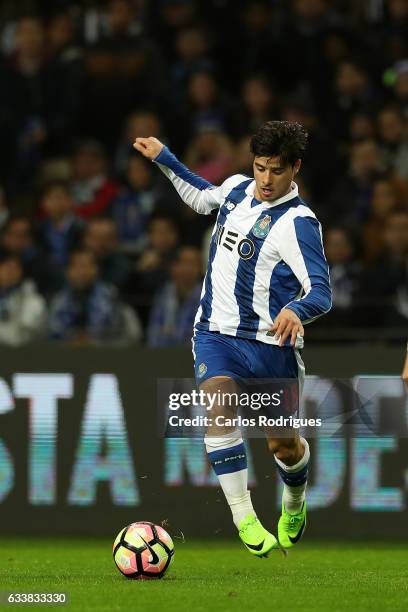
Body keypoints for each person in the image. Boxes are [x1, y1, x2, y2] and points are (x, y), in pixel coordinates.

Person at [134, 121, 331, 557]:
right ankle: (244, 516)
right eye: (260, 167)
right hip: (215, 334)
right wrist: (165, 158)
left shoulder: (299, 224)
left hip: (269, 346)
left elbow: (321, 291)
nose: (265, 179)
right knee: (218, 407)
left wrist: (295, 309)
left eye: (276, 171)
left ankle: (295, 498)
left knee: (284, 445)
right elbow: (201, 195)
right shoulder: (239, 190)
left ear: (294, 168)